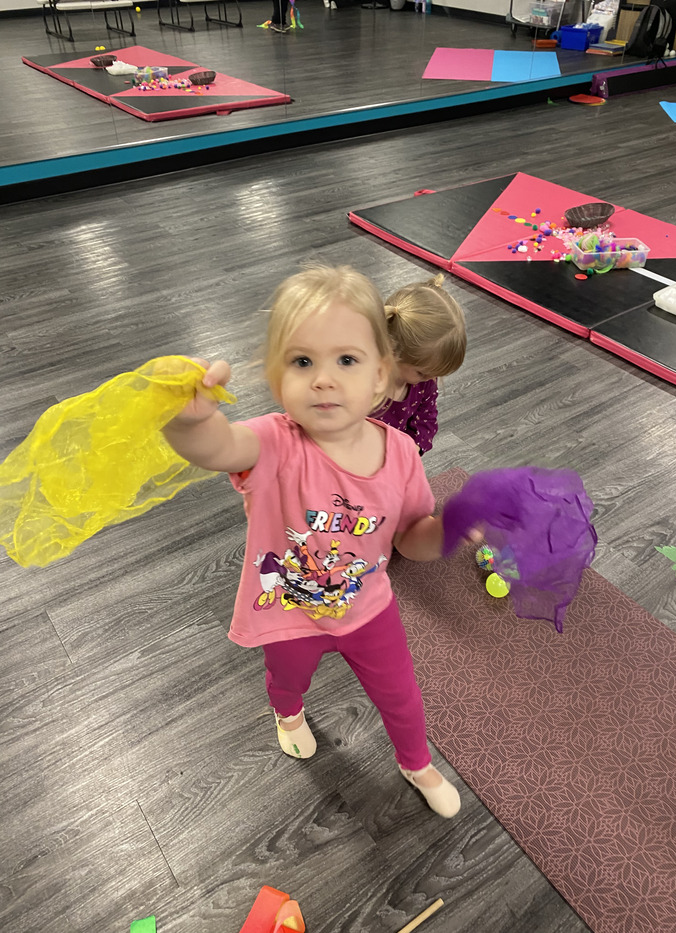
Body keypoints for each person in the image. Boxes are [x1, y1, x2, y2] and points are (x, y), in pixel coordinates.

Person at [162, 265, 465, 818]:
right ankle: (289, 713)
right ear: (278, 380)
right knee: (287, 678)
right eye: (303, 362)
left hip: (368, 606)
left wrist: (452, 528)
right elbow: (217, 448)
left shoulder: (399, 452)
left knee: (402, 695)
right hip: (291, 610)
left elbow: (413, 540)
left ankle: (416, 760)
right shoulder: (273, 442)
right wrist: (189, 422)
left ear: (382, 376)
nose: (323, 379)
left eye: (345, 360)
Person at [376, 273, 466, 456]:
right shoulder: (362, 381)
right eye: (423, 373)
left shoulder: (424, 386)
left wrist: (415, 446)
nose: (431, 379)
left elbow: (426, 420)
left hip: (393, 463)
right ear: (392, 351)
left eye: (436, 373)